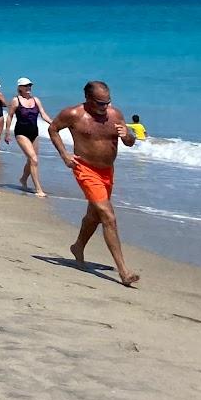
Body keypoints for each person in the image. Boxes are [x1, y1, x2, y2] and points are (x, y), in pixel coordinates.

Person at [49, 80, 139, 287]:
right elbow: (53, 129)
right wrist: (64, 155)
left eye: (107, 102)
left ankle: (78, 246)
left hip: (107, 171)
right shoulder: (73, 114)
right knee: (108, 216)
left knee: (95, 216)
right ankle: (124, 272)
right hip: (85, 169)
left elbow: (130, 141)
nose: (105, 107)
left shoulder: (115, 115)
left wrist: (128, 136)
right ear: (88, 99)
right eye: (100, 103)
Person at [3, 77, 52, 197]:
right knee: (34, 160)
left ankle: (23, 179)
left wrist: (54, 124)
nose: (28, 87)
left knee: (32, 160)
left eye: (30, 85)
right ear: (20, 87)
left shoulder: (36, 100)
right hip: (21, 133)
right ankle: (38, 189)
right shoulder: (16, 100)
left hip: (34, 133)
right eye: (26, 86)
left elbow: (43, 114)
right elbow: (10, 116)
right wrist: (7, 133)